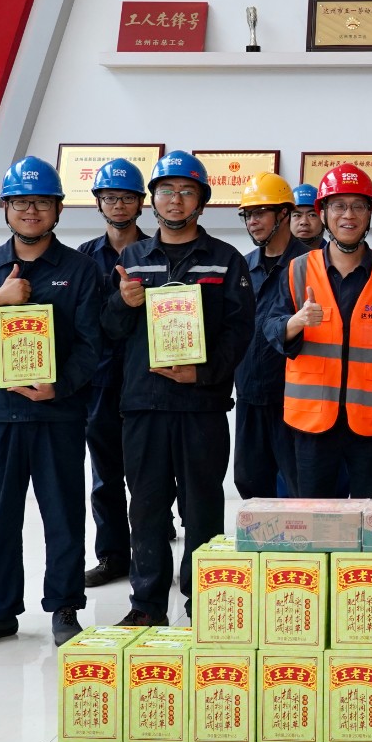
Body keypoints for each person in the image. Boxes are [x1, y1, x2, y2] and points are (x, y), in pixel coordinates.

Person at [0, 157, 100, 648]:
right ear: (5, 207)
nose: (31, 211)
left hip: (58, 414)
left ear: (58, 209)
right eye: (21, 202)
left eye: (42, 202)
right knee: (0, 518)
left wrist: (60, 386)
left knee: (63, 516)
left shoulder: (80, 269)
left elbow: (93, 345)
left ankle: (65, 607)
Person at [104, 151, 254, 625]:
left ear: (201, 202)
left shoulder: (225, 260)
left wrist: (201, 373)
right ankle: (146, 606)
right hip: (143, 405)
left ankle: (205, 605)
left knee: (202, 509)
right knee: (146, 508)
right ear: (152, 201)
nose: (175, 200)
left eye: (187, 191)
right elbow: (108, 330)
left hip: (200, 407)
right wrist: (123, 303)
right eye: (166, 191)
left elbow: (239, 333)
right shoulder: (131, 259)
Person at [268, 164, 372, 498]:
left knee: (370, 517)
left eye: (358, 206)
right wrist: (296, 322)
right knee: (314, 517)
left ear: (369, 213)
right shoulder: (296, 271)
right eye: (338, 205)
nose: (348, 215)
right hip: (311, 423)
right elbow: (272, 328)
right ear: (323, 213)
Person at [77, 158, 146, 588]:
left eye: (126, 197)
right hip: (99, 380)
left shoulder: (156, 253)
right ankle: (113, 556)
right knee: (105, 476)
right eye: (110, 197)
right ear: (98, 202)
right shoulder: (84, 258)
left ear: (141, 202)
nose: (118, 204)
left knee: (149, 473)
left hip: (148, 377)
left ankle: (150, 550)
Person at [233, 172, 312, 500]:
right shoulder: (242, 267)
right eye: (247, 215)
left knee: (300, 487)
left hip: (295, 398)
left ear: (283, 213)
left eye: (260, 213)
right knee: (248, 482)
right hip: (249, 396)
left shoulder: (310, 265)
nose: (252, 222)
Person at [288, 182, 326, 250]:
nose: (304, 222)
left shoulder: (332, 254)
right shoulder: (277, 252)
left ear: (323, 219)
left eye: (312, 215)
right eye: (297, 215)